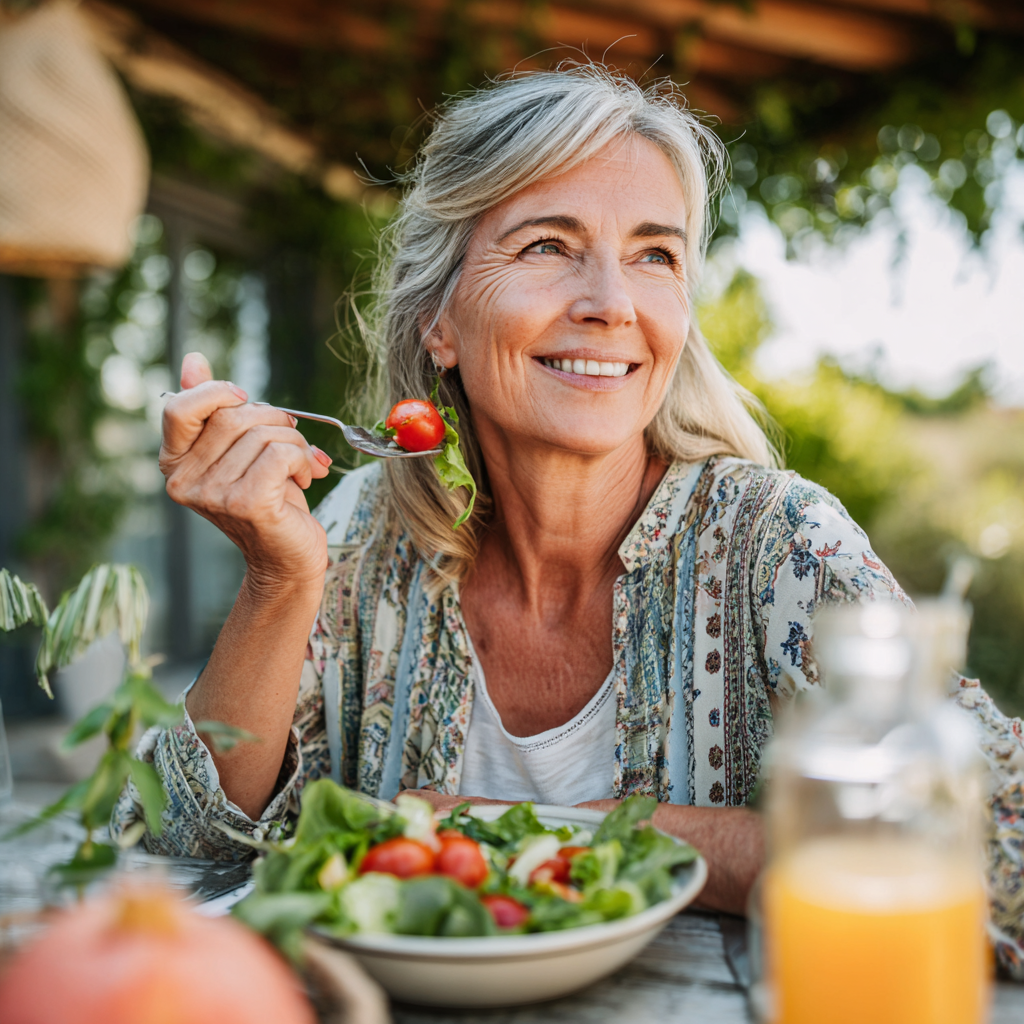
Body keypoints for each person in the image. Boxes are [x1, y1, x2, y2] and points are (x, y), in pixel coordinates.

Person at [113, 66, 1023, 960]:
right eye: (548, 245)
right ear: (440, 317)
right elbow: (176, 855)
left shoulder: (781, 544)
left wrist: (556, 832)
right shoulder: (357, 534)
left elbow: (1000, 845)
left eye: (654, 256)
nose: (611, 304)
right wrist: (280, 579)